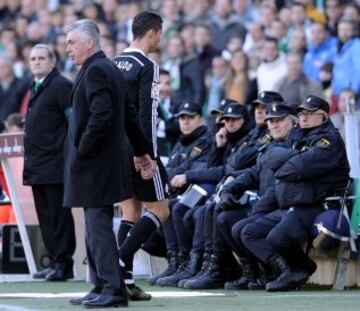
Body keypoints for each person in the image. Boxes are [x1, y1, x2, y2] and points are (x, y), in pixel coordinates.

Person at [63, 19, 154, 308]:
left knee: (98, 226)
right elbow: (128, 114)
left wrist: (82, 151)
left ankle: (112, 289)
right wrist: (142, 152)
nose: (67, 49)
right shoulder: (107, 69)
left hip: (96, 164)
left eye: (72, 42)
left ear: (89, 43)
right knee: (94, 226)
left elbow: (102, 117)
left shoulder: (97, 70)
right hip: (102, 163)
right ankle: (102, 284)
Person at [241, 95, 350, 292]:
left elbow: (300, 167)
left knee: (277, 238)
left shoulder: (329, 140)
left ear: (324, 116)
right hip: (293, 204)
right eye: (301, 113)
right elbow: (271, 156)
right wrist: (292, 160)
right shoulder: (300, 135)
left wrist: (283, 167)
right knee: (249, 232)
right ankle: (288, 270)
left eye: (309, 113)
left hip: (318, 205)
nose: (303, 117)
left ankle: (301, 268)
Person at [112, 11, 169, 301]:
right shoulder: (146, 65)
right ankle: (118, 261)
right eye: (161, 33)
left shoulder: (112, 64)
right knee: (161, 210)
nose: (161, 38)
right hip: (138, 149)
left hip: (114, 150)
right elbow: (148, 112)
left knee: (130, 213)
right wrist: (147, 154)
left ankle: (125, 281)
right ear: (152, 32)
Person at [23, 44, 76, 281]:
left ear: (52, 62)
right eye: (33, 58)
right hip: (37, 164)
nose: (36, 62)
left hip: (55, 163)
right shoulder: (35, 87)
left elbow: (73, 121)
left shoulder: (61, 85)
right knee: (45, 216)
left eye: (41, 58)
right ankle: (54, 261)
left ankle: (64, 264)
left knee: (58, 216)